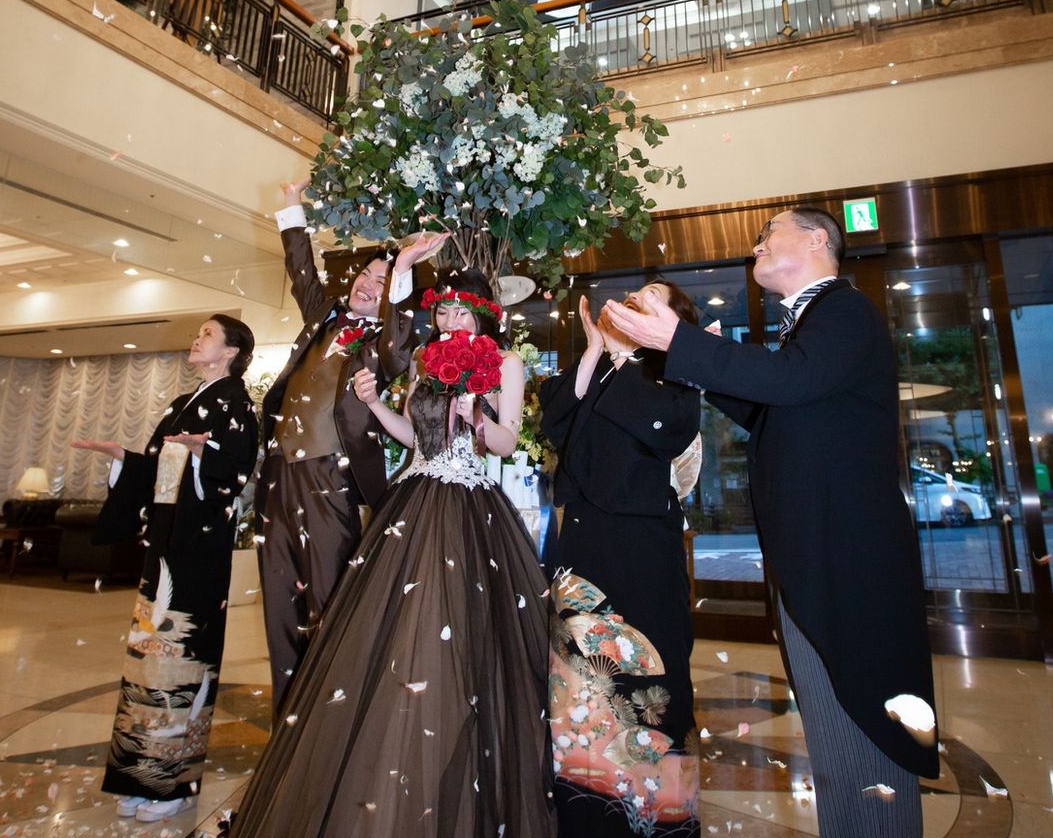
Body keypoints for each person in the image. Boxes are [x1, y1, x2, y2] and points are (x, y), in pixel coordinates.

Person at [603, 207, 939, 838]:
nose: (755, 246)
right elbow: (773, 409)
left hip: (848, 560)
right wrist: (690, 358)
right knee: (834, 731)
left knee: (864, 727)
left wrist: (681, 343)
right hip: (817, 557)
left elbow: (791, 381)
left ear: (817, 239)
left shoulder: (844, 310)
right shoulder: (809, 328)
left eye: (768, 234)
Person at [229, 269, 556, 837]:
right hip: (414, 494)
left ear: (484, 313)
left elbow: (507, 441)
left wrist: (475, 417)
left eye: (461, 311)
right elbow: (412, 435)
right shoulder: (427, 359)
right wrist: (374, 404)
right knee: (394, 626)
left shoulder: (504, 362)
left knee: (460, 626)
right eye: (443, 311)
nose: (450, 320)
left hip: (469, 502)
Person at [257, 179, 447, 712]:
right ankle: (285, 721)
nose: (367, 284)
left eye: (381, 282)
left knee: (328, 600)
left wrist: (402, 268)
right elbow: (301, 270)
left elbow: (400, 337)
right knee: (279, 600)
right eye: (366, 275)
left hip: (331, 478)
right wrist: (291, 204)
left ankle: (329, 718)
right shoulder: (324, 317)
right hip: (279, 473)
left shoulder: (386, 345)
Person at [72, 314, 258, 824]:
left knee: (184, 657)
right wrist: (122, 459)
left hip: (199, 547)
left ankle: (173, 782)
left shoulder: (237, 404)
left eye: (207, 335)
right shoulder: (183, 403)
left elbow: (236, 470)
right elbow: (157, 467)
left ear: (231, 351)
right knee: (147, 657)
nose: (197, 340)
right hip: (165, 544)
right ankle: (136, 773)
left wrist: (203, 453)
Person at [540, 279, 702, 838]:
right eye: (635, 293)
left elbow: (669, 429)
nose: (635, 297)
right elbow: (555, 422)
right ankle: (586, 811)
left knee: (650, 672)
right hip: (582, 540)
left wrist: (630, 355)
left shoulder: (675, 368)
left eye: (652, 295)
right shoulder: (606, 364)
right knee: (579, 675)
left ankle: (659, 817)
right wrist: (593, 352)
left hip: (640, 543)